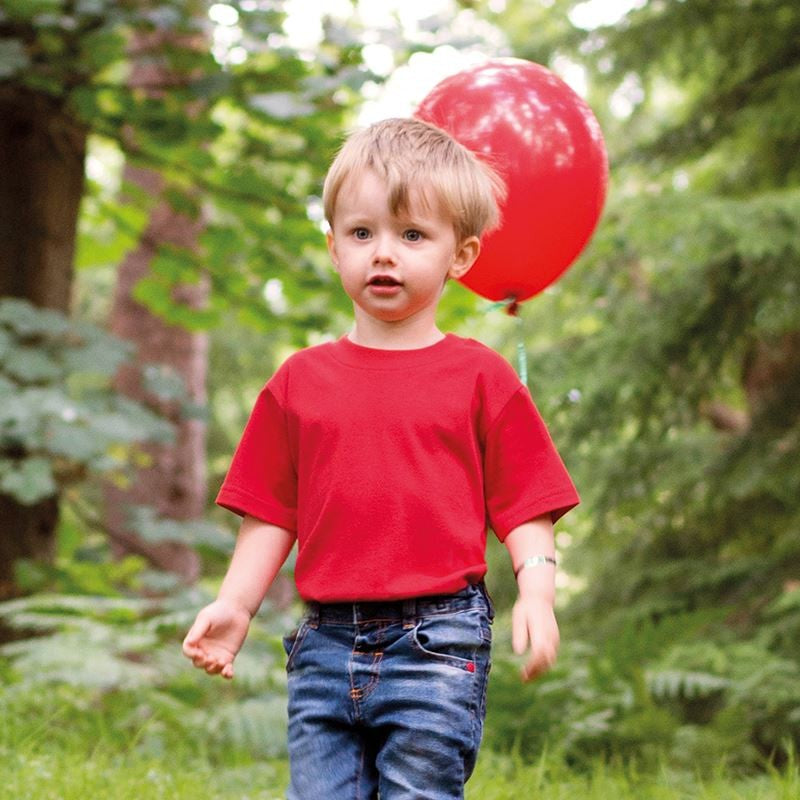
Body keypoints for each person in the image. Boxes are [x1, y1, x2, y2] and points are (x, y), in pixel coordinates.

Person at [183, 117, 579, 799]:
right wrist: (235, 603)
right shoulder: (298, 382)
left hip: (439, 642)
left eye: (412, 235)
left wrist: (538, 593)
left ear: (461, 255)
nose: (384, 254)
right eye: (362, 233)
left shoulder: (481, 378)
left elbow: (526, 505)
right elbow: (270, 513)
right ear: (334, 246)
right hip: (325, 642)